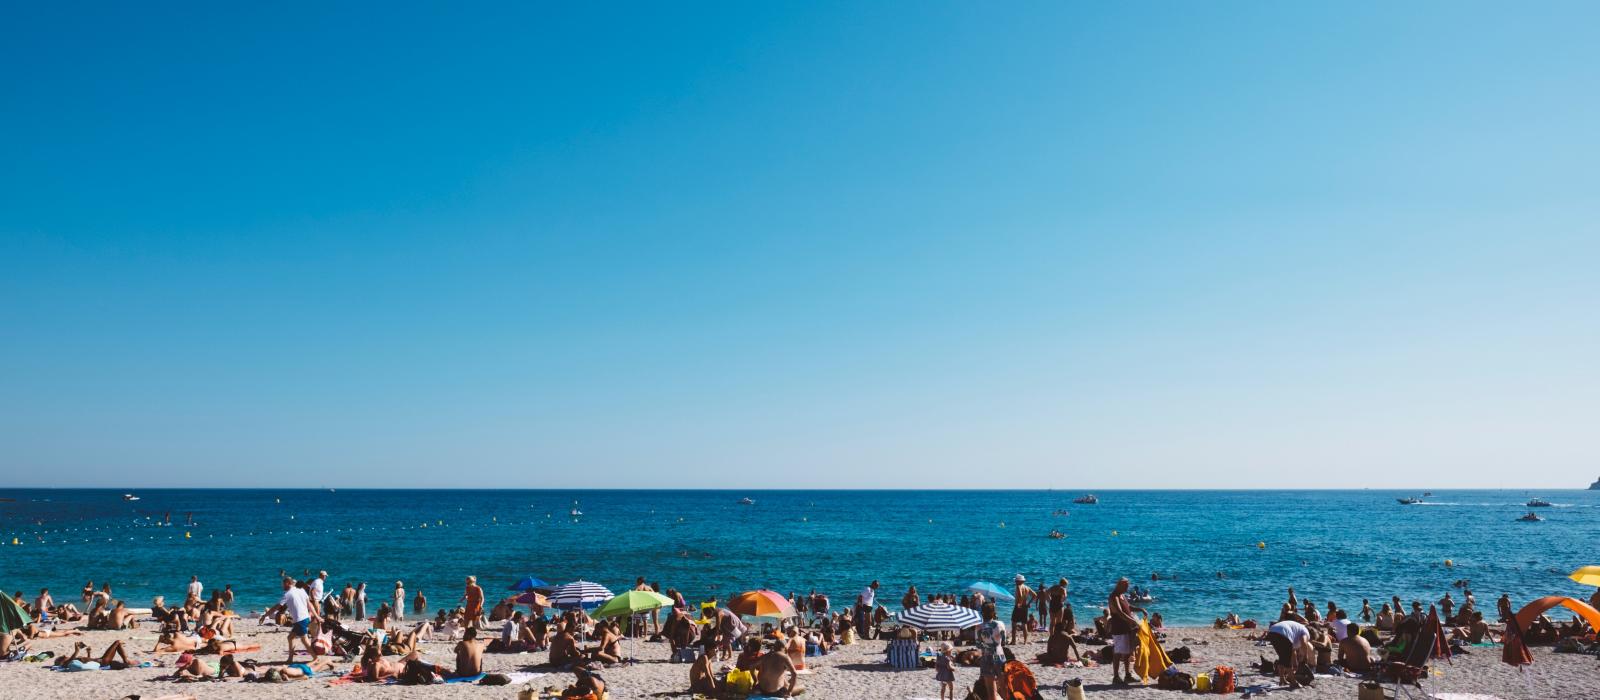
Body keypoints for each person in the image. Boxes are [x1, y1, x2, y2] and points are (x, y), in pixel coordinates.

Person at [1107, 578, 1145, 686]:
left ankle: (1128, 675)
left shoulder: (1122, 595)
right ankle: (1116, 677)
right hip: (1119, 629)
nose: (1127, 588)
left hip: (1127, 628)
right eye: (1126, 586)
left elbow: (1128, 608)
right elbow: (1119, 612)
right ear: (1120, 585)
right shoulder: (1114, 596)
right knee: (1118, 652)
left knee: (1128, 652)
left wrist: (1140, 609)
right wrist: (1134, 621)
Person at [278, 577, 318, 664]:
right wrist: (316, 616)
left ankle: (315, 658)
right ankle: (290, 659)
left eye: (283, 584)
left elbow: (277, 606)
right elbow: (309, 605)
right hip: (305, 618)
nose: (282, 586)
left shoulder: (287, 594)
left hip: (300, 620)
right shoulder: (301, 590)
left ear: (288, 583)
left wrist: (265, 615)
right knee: (290, 637)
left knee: (304, 640)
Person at [974, 601, 1007, 700]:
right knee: (1003, 685)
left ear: (982, 612)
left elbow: (978, 645)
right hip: (1000, 656)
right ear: (994, 612)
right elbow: (1004, 641)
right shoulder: (1000, 624)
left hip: (987, 657)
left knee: (991, 689)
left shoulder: (979, 626)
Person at [1264, 619, 1312, 684]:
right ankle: (1293, 682)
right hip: (1283, 632)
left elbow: (1292, 651)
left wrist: (1295, 664)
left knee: (1282, 658)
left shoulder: (1296, 633)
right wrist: (1306, 656)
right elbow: (1304, 642)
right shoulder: (1306, 632)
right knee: (1287, 660)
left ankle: (1282, 679)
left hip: (1272, 632)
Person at [1012, 575, 1037, 644]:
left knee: (1014, 624)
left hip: (1018, 607)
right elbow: (1035, 595)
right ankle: (1025, 641)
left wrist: (1019, 603)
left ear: (1018, 581)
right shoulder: (1027, 587)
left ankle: (1013, 641)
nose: (1015, 581)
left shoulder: (1018, 586)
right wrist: (1028, 603)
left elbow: (1020, 594)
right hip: (1025, 607)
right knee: (1024, 624)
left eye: (1016, 580)